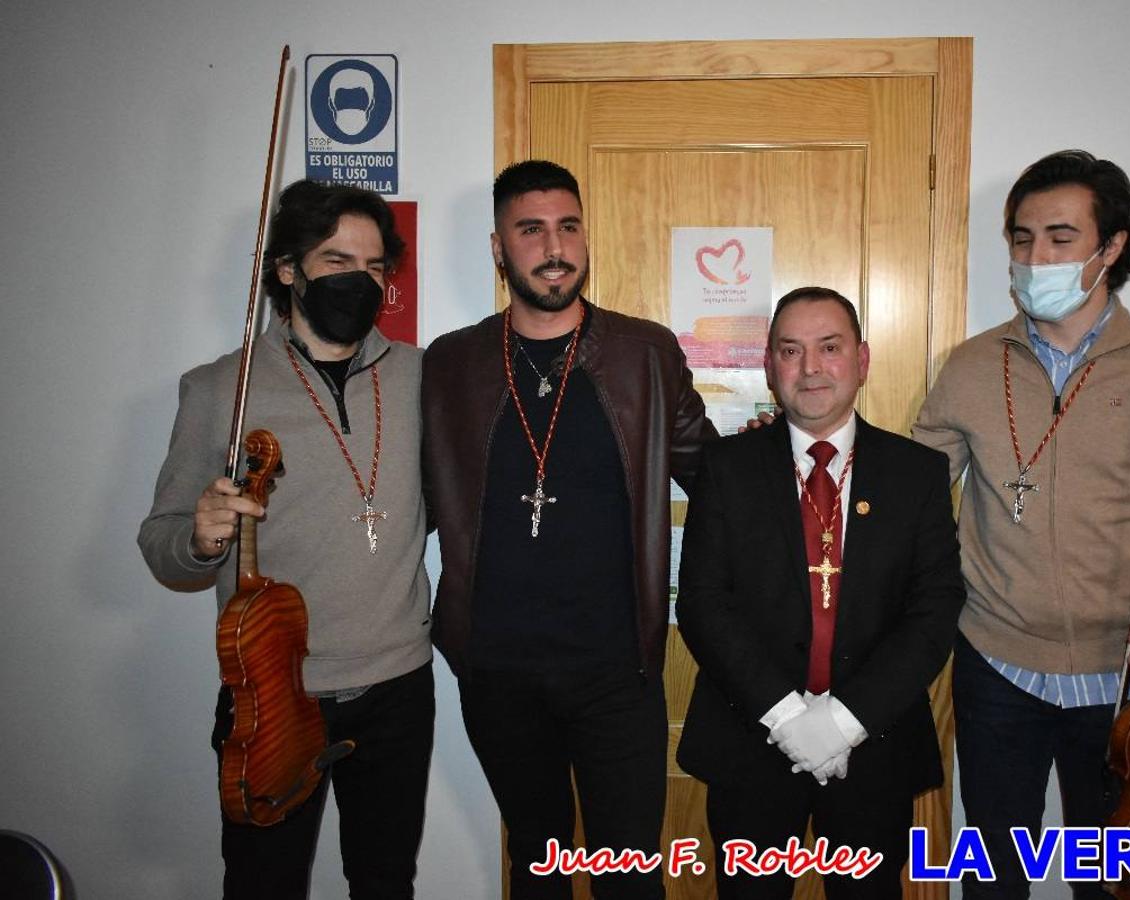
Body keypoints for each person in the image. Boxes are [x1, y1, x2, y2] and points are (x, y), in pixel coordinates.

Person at [911, 149, 1130, 898]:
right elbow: (913, 502)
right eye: (1022, 240)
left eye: (1060, 238)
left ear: (1111, 246)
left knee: (1110, 887)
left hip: (1122, 682)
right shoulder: (967, 365)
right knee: (994, 879)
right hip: (996, 669)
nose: (1036, 258)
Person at [421, 159, 717, 899]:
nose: (554, 247)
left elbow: (714, 477)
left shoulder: (645, 352)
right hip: (496, 673)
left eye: (568, 227)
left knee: (629, 876)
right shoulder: (450, 363)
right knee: (537, 866)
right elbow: (408, 493)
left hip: (617, 671)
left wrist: (814, 456)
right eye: (531, 229)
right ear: (498, 249)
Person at [139, 180, 434, 899]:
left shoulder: (422, 376)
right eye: (336, 261)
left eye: (371, 268)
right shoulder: (220, 388)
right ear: (286, 270)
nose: (356, 282)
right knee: (262, 884)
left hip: (398, 687)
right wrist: (201, 541)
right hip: (272, 692)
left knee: (386, 881)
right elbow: (163, 538)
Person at [676, 287, 966, 898]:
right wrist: (788, 719)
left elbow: (934, 611)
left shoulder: (916, 473)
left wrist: (843, 720)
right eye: (791, 350)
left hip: (875, 746)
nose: (810, 368)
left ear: (861, 360)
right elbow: (702, 603)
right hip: (751, 743)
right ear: (769, 365)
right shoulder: (725, 468)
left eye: (829, 348)